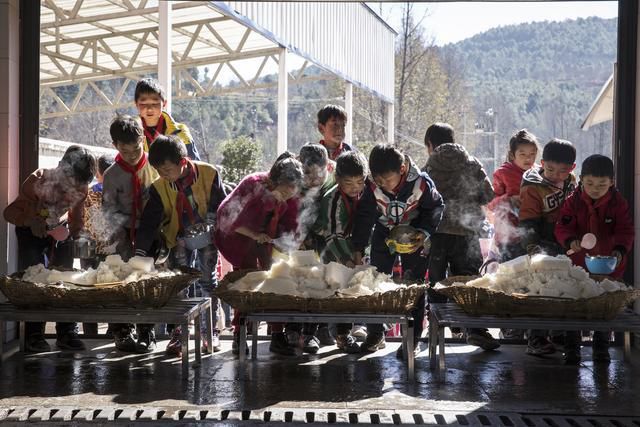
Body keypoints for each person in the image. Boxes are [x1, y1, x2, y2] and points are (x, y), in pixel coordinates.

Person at [136, 135, 226, 356]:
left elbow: (221, 204)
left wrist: (211, 226)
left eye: (167, 170)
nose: (163, 175)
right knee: (179, 283)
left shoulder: (209, 173)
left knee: (207, 279)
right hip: (176, 237)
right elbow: (149, 222)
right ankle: (179, 332)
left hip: (207, 235)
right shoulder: (159, 187)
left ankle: (209, 331)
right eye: (159, 171)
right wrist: (140, 252)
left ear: (183, 162)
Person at [352, 144, 444, 355]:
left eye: (388, 180)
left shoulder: (421, 183)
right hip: (383, 235)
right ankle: (375, 333)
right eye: (379, 180)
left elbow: (436, 207)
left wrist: (424, 231)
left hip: (414, 237)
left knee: (415, 287)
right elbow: (365, 215)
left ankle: (412, 339)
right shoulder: (372, 185)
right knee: (375, 281)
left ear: (402, 169)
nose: (384, 185)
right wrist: (358, 246)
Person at [4, 146, 96, 352]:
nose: (72, 191)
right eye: (69, 184)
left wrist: (80, 234)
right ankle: (33, 334)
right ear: (61, 169)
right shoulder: (38, 180)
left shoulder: (81, 188)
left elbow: (77, 219)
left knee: (64, 280)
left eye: (78, 186)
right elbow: (9, 213)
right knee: (34, 280)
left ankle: (67, 332)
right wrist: (29, 220)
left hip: (59, 232)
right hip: (31, 232)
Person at [215, 153, 303, 356]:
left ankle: (277, 334)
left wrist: (287, 241)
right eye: (283, 193)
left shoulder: (290, 194)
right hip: (241, 241)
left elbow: (291, 221)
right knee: (248, 286)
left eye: (290, 194)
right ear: (273, 181)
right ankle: (240, 334)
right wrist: (255, 235)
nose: (286, 198)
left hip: (268, 242)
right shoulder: (253, 184)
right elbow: (226, 216)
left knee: (276, 283)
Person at [424, 122, 500, 351]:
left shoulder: (430, 165)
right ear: (454, 140)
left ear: (430, 145)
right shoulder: (471, 163)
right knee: (467, 282)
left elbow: (423, 197)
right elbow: (488, 194)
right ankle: (474, 329)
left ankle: (435, 329)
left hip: (437, 234)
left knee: (436, 283)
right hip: (467, 233)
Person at [555, 154, 634, 364]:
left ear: (612, 182)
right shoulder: (573, 201)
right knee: (575, 304)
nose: (595, 188)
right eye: (589, 183)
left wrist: (620, 250)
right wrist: (570, 241)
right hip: (579, 264)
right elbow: (563, 226)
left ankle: (601, 347)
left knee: (604, 307)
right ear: (581, 179)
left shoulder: (618, 203)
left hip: (609, 265)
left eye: (602, 184)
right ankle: (572, 347)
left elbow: (626, 230)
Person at [102, 115, 160, 353]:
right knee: (120, 280)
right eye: (126, 152)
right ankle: (123, 331)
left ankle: (148, 331)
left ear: (143, 141)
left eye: (137, 149)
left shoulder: (155, 166)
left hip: (152, 232)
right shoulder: (112, 175)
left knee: (147, 280)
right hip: (123, 232)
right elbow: (108, 212)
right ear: (116, 146)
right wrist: (122, 231)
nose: (133, 156)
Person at [519, 138, 577, 357]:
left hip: (564, 244)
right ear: (541, 163)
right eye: (550, 169)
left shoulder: (572, 182)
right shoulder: (533, 187)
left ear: (571, 168)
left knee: (563, 289)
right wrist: (532, 246)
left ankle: (559, 334)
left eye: (562, 171)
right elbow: (527, 222)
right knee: (541, 291)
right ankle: (536, 337)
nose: (555, 175)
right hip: (540, 244)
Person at [312, 151, 369, 353]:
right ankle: (341, 335)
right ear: (337, 179)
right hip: (331, 249)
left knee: (358, 290)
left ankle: (365, 330)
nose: (355, 188)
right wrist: (346, 258)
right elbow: (332, 234)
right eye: (349, 183)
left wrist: (358, 252)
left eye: (360, 182)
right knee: (338, 292)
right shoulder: (332, 199)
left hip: (353, 248)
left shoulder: (367, 192)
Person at [488, 129, 539, 261]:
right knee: (511, 272)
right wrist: (509, 200)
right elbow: (491, 203)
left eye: (532, 154)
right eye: (522, 154)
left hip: (532, 232)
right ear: (512, 155)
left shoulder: (538, 173)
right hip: (508, 235)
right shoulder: (503, 173)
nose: (528, 158)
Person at [134, 78, 200, 160]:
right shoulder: (131, 133)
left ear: (164, 103)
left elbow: (193, 165)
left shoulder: (181, 132)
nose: (149, 109)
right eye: (143, 104)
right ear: (136, 104)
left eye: (155, 103)